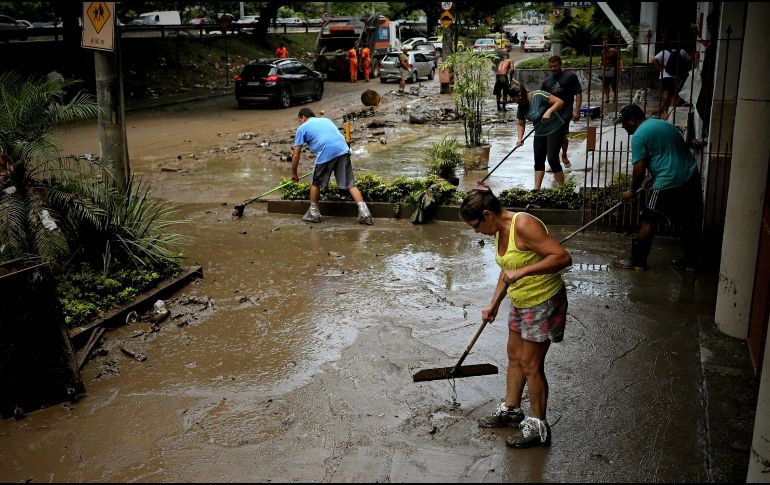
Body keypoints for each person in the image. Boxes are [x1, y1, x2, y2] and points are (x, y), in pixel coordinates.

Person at [459, 187, 572, 448]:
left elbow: (563, 257)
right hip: (520, 300)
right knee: (514, 356)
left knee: (531, 364)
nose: (477, 232)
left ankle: (538, 426)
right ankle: (511, 410)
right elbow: (506, 270)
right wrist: (493, 304)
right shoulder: (499, 231)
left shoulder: (524, 225)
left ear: (488, 215)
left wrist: (523, 272)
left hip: (542, 300)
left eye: (476, 226)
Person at [612, 104, 703, 271]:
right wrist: (653, 175)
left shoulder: (639, 135)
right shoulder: (662, 124)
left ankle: (638, 262)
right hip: (690, 176)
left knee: (648, 218)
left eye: (623, 122)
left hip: (668, 180)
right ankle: (690, 262)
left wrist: (632, 190)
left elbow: (639, 169)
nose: (623, 126)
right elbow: (669, 153)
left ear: (632, 120)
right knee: (688, 220)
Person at [291, 108, 373, 225]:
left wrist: (294, 174)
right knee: (349, 184)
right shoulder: (326, 120)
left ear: (302, 117)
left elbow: (296, 155)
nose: (299, 123)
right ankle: (365, 213)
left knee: (316, 183)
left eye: (299, 120)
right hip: (343, 149)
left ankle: (314, 213)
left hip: (326, 152)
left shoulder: (302, 128)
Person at [507, 81, 566, 190]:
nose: (513, 101)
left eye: (514, 99)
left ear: (520, 95)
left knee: (552, 158)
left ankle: (562, 189)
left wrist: (549, 111)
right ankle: (536, 189)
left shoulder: (538, 95)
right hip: (540, 131)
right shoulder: (521, 107)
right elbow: (521, 123)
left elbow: (559, 102)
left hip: (555, 128)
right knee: (538, 158)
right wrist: (519, 139)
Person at [541, 55, 582, 171]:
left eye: (555, 66)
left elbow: (578, 93)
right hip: (552, 113)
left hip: (566, 112)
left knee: (561, 135)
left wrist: (577, 111)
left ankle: (562, 155)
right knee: (554, 136)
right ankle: (555, 159)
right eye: (551, 67)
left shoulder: (570, 77)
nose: (553, 68)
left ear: (560, 64)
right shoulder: (547, 82)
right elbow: (542, 99)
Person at [652, 46, 691, 119]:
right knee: (674, 93)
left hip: (665, 76)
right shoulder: (682, 51)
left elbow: (654, 59)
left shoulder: (664, 52)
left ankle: (666, 112)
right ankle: (673, 113)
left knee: (666, 93)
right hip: (676, 76)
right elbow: (689, 61)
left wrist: (659, 68)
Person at [696, 12, 719, 138]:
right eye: (707, 24)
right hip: (707, 78)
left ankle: (709, 129)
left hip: (711, 79)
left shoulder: (716, 41)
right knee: (701, 104)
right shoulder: (713, 41)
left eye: (709, 24)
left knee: (702, 104)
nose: (709, 27)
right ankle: (708, 129)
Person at [599, 38, 623, 105]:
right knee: (605, 84)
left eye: (605, 43)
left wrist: (622, 67)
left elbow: (620, 59)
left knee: (613, 85)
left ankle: (615, 96)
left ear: (609, 44)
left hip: (613, 69)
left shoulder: (615, 51)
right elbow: (601, 59)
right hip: (605, 69)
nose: (604, 45)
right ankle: (607, 98)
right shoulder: (603, 51)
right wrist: (600, 64)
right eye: (603, 43)